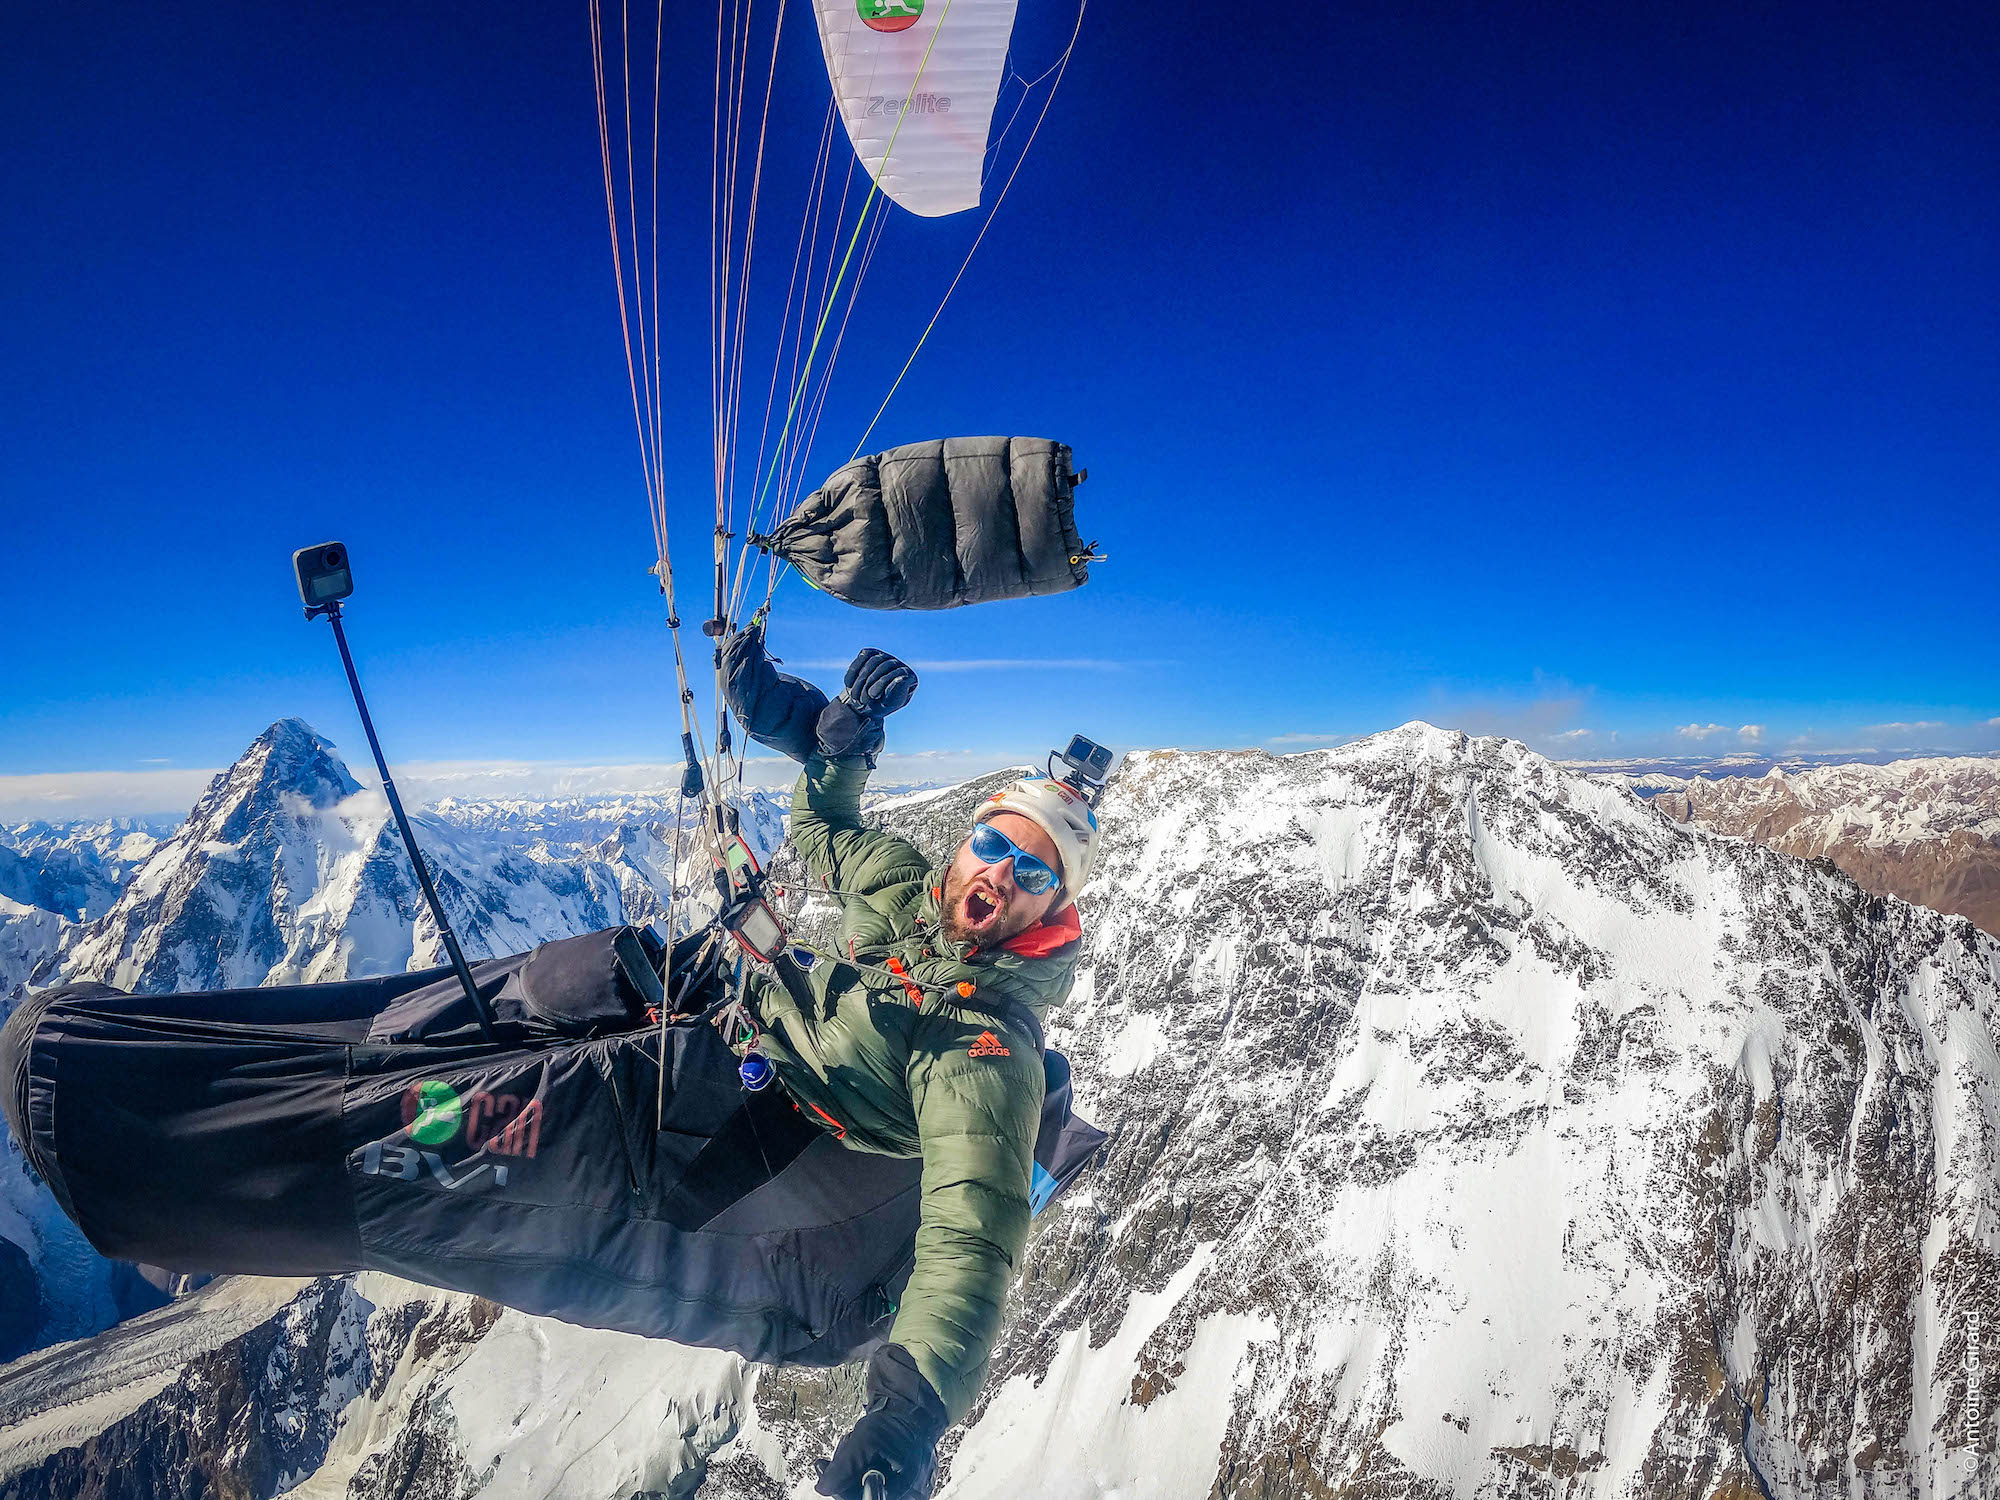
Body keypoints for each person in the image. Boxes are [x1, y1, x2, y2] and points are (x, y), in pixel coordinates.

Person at [721, 626, 1100, 1500]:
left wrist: (907, 1416)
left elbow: (972, 1231)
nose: (1004, 874)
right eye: (996, 847)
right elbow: (823, 829)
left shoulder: (991, 1044)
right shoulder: (901, 880)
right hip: (733, 1028)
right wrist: (847, 743)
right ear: (966, 844)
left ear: (1050, 908)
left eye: (1035, 875)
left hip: (779, 1140)